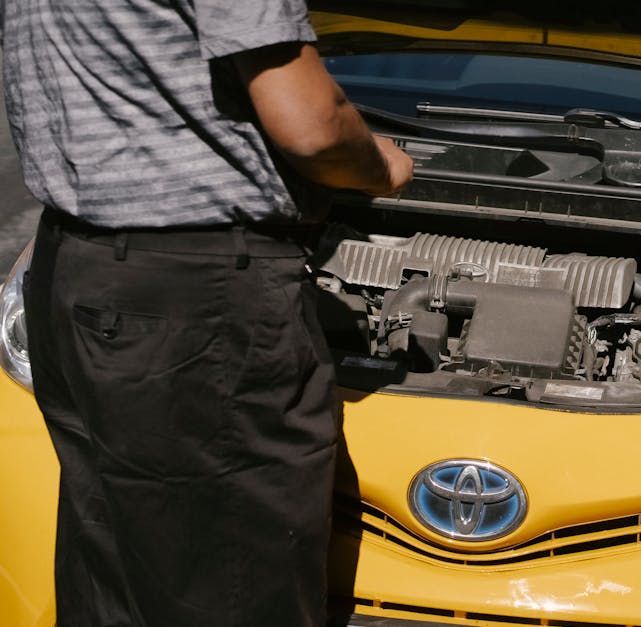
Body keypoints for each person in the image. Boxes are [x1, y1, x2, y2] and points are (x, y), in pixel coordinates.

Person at [2, 1, 411, 625]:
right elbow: (313, 126)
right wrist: (381, 165)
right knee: (233, 582)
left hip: (78, 267)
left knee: (114, 564)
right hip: (194, 288)